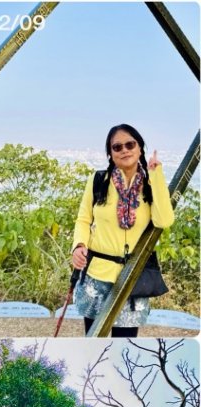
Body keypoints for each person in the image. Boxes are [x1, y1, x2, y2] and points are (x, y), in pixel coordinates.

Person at [71, 124, 174, 338]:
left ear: (140, 148)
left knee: (125, 344)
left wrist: (156, 175)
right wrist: (79, 246)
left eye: (130, 144)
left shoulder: (150, 183)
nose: (124, 150)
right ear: (110, 153)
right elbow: (83, 219)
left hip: (133, 277)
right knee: (94, 341)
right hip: (97, 274)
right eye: (117, 147)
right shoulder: (98, 181)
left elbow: (164, 220)